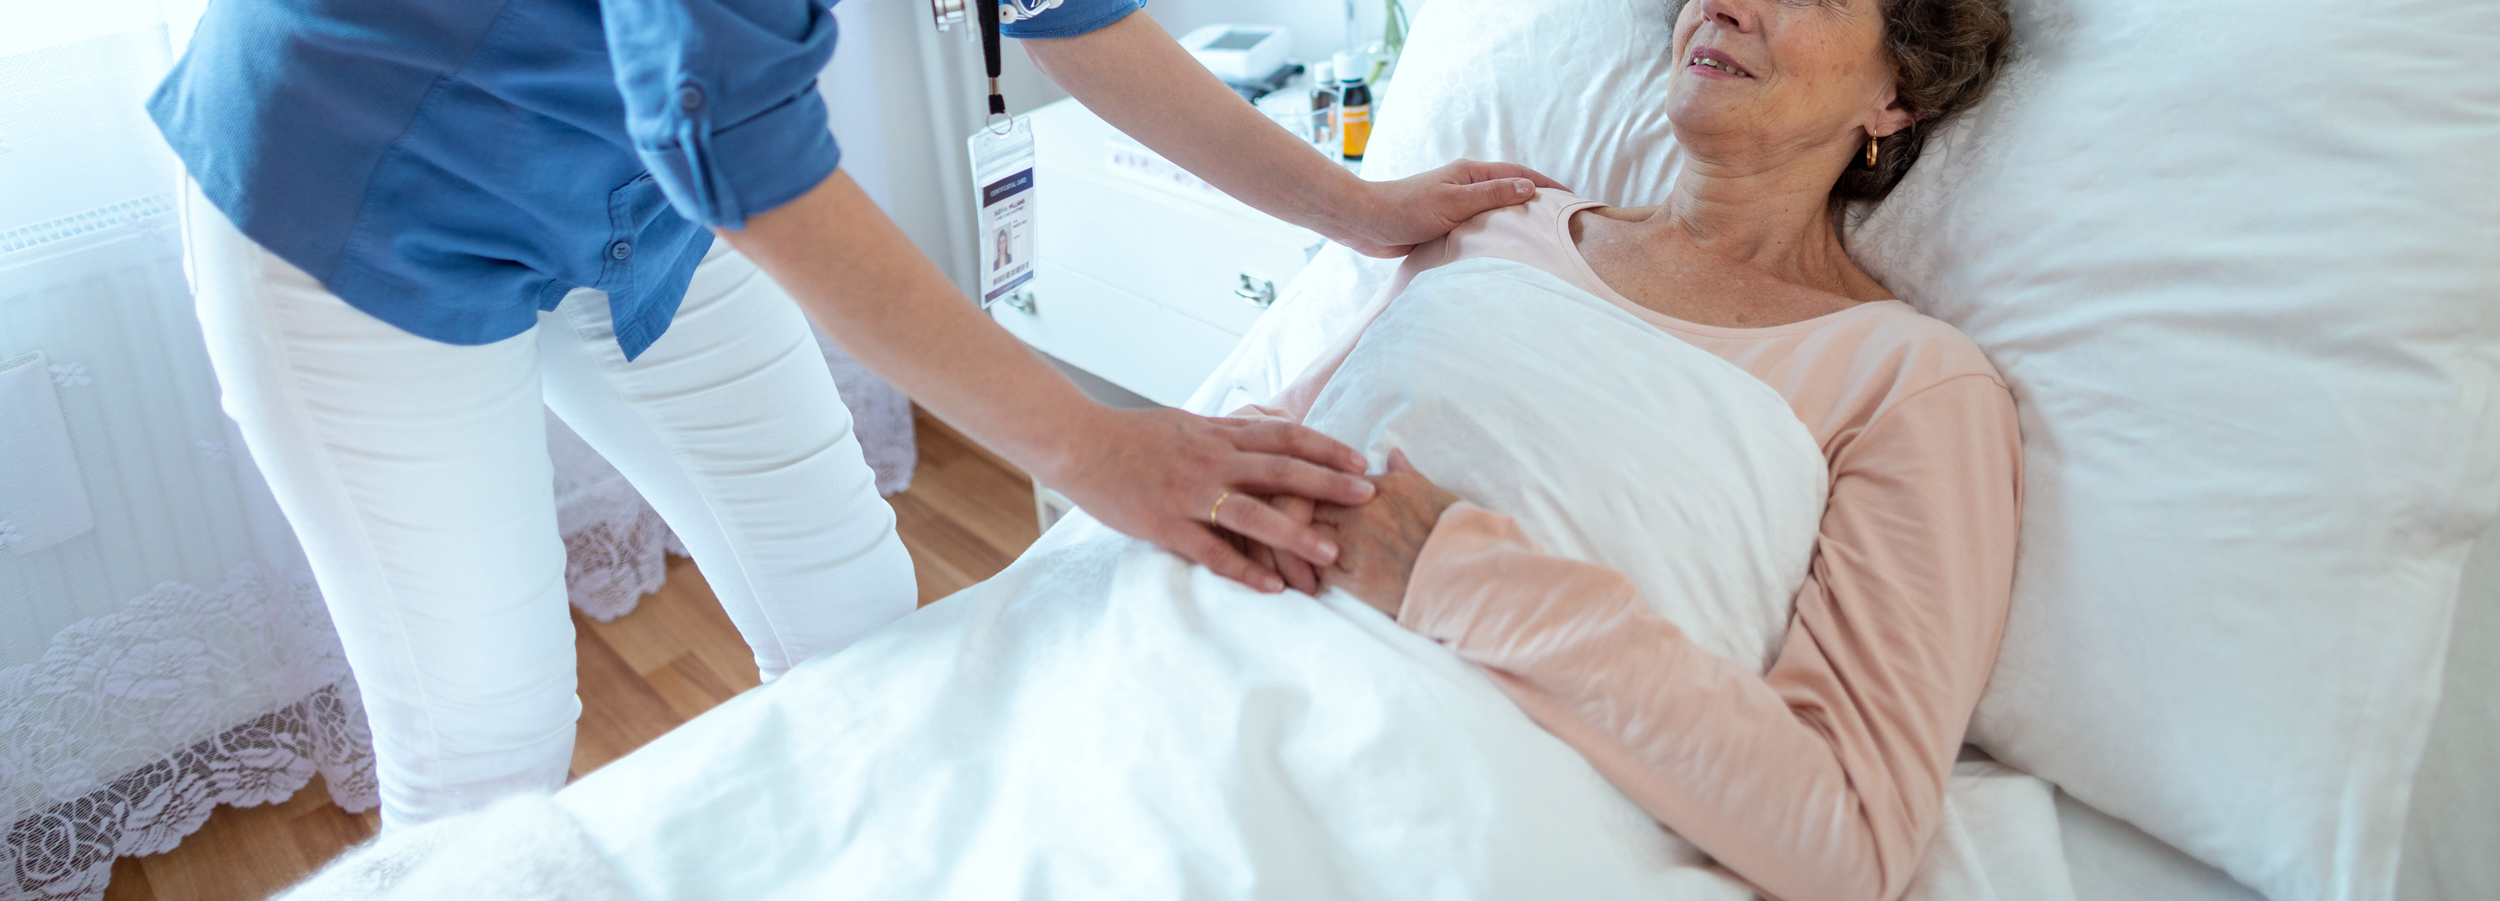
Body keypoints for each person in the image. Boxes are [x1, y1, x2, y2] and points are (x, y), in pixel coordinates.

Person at [148, 0, 1558, 828]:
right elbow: (740, 148)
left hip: (644, 196)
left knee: (858, 611)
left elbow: (1082, 18)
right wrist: (1104, 449)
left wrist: (1355, 209)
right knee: (486, 741)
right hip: (359, 193)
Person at [1253, 0, 2020, 898]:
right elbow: (1256, 448)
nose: (1728, 4)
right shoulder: (1500, 220)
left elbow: (1848, 835)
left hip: (1418, 794)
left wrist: (1448, 568)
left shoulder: (1908, 382)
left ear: (1898, 90)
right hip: (1199, 636)